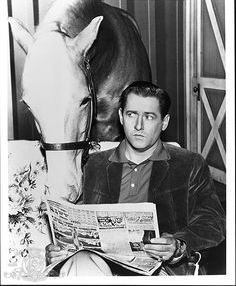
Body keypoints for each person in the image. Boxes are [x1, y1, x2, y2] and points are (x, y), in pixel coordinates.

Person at [45, 81, 225, 276]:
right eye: (132, 114)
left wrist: (178, 245)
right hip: (101, 267)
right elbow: (76, 220)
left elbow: (212, 221)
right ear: (121, 116)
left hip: (160, 269)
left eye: (149, 117)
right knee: (80, 262)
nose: (138, 126)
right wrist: (60, 250)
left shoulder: (189, 164)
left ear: (164, 122)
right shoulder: (93, 165)